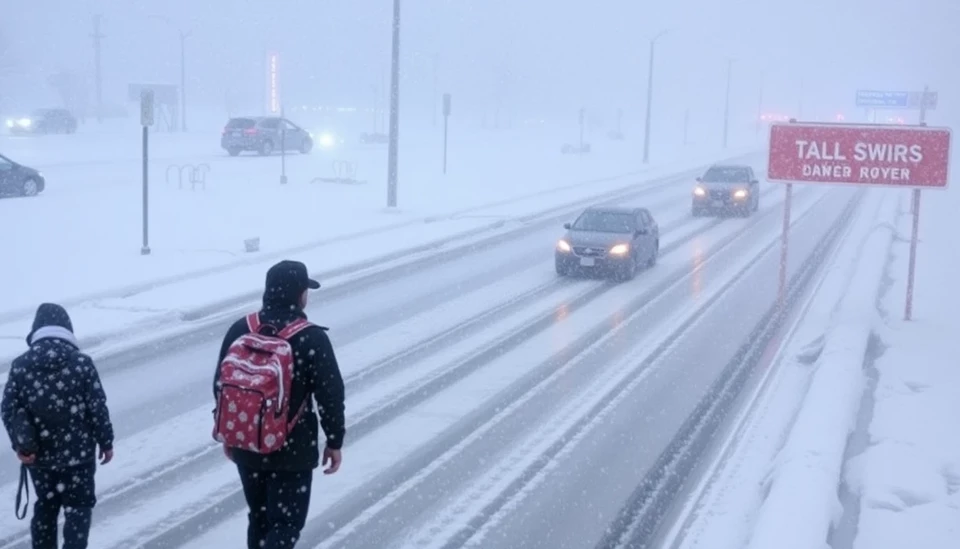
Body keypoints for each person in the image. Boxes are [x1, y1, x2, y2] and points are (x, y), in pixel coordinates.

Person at [213, 260, 346, 549]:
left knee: (259, 518)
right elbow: (330, 394)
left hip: (247, 445)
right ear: (300, 294)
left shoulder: (241, 328)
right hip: (291, 450)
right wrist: (334, 441)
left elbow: (220, 385)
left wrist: (229, 430)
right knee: (285, 525)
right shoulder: (311, 337)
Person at [1, 303, 114, 549]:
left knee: (46, 506)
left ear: (36, 330)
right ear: (67, 329)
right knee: (78, 510)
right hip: (79, 457)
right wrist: (106, 442)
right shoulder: (82, 363)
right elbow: (97, 407)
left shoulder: (21, 366)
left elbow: (8, 410)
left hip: (38, 457)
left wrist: (20, 445)